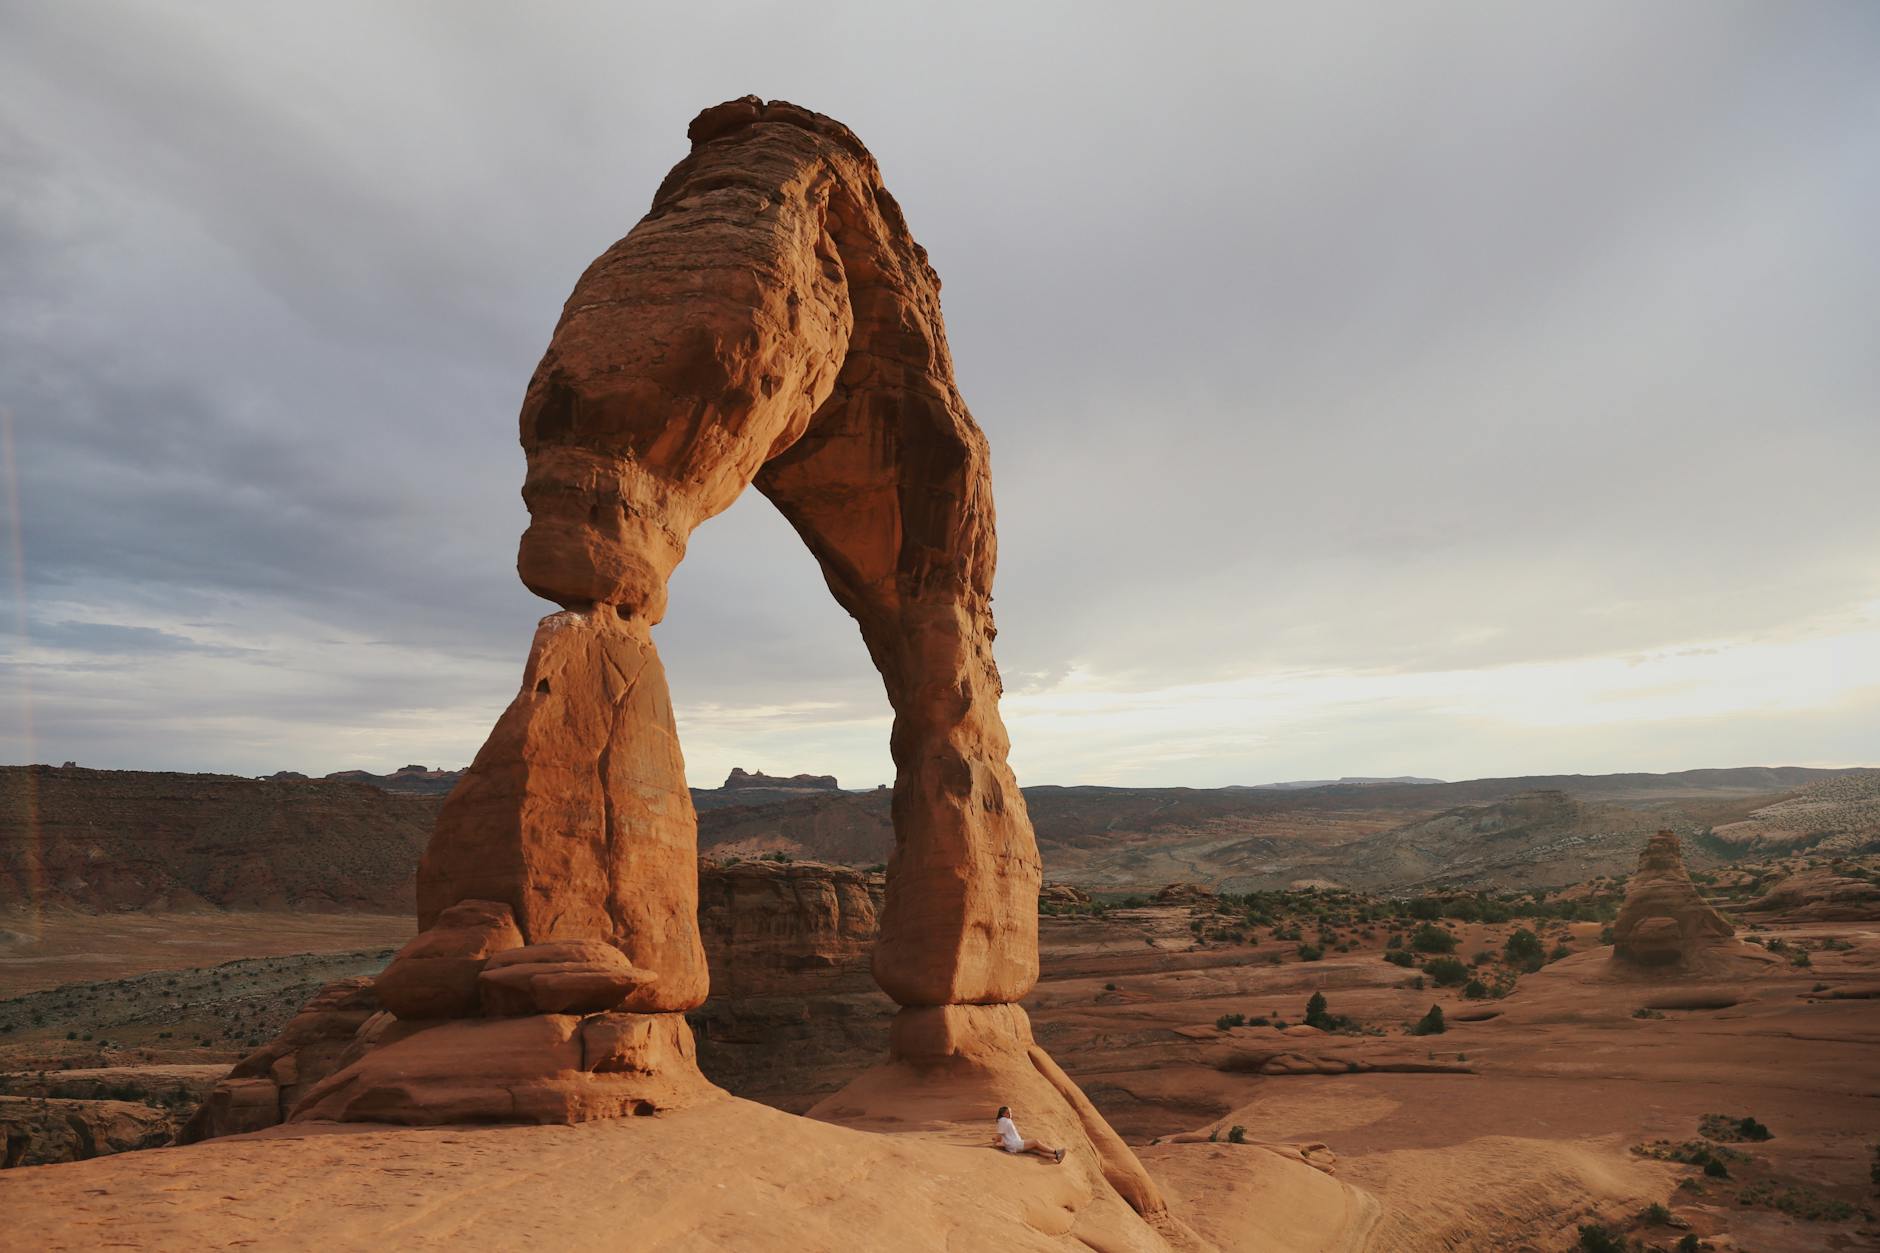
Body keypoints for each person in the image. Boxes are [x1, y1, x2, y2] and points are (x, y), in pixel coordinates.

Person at [995, 1105, 1066, 1162]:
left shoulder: (1004, 1120)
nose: (1010, 1114)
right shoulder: (1003, 1120)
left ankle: (1056, 1157)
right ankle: (1056, 1152)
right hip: (1015, 1144)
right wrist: (996, 1142)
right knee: (1036, 1142)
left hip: (1013, 1147)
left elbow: (1002, 1134)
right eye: (1007, 1113)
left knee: (1035, 1150)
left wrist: (1001, 1142)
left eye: (1010, 1112)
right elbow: (999, 1135)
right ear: (1003, 1114)